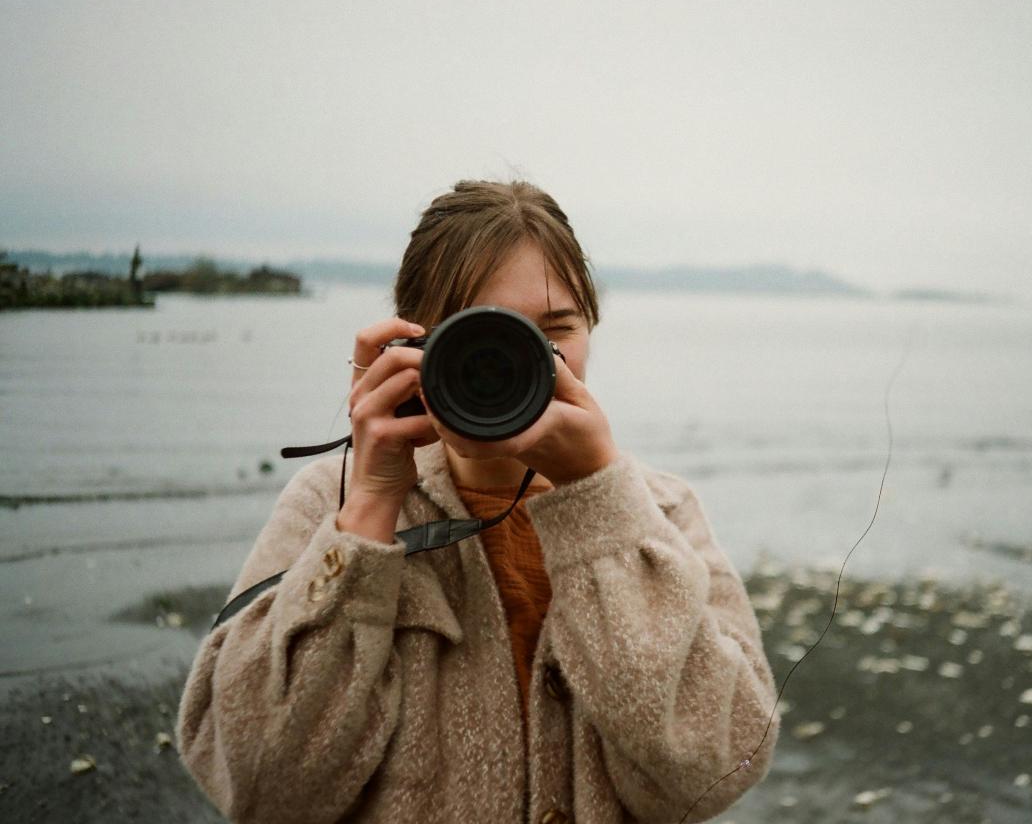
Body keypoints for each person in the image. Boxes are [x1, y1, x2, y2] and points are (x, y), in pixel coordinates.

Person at [175, 179, 780, 823]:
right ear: (409, 345)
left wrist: (595, 499)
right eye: (481, 336)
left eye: (554, 331)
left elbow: (718, 769)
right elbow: (260, 789)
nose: (514, 363)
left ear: (591, 330)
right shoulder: (332, 500)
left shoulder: (658, 510)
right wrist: (372, 506)